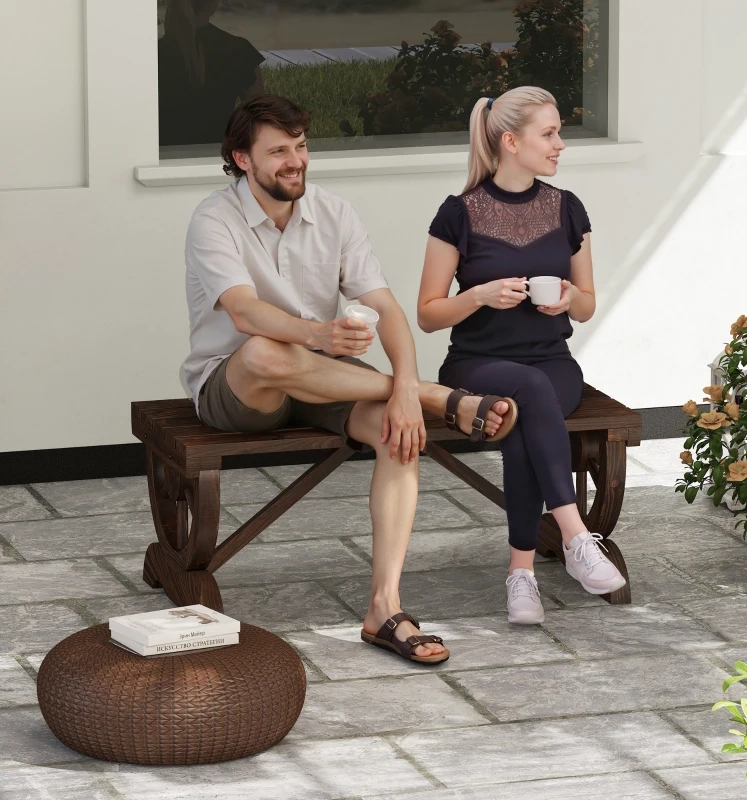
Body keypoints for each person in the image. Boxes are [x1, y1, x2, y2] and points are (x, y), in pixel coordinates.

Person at [182, 94, 518, 664]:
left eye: (301, 146)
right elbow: (243, 312)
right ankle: (441, 398)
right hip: (239, 387)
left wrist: (404, 388)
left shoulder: (334, 213)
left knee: (399, 430)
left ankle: (384, 608)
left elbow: (385, 307)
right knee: (264, 351)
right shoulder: (213, 219)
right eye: (278, 151)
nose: (296, 161)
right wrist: (324, 337)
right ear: (242, 159)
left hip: (324, 380)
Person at [417, 86, 627, 626]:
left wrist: (568, 298)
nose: (560, 144)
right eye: (549, 133)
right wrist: (478, 296)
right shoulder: (457, 214)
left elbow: (587, 306)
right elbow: (428, 314)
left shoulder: (567, 208)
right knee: (525, 395)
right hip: (475, 364)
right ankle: (575, 537)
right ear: (511, 142)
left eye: (559, 133)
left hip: (552, 363)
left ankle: (522, 575)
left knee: (522, 411)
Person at [159, 0, 265, 147]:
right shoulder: (239, 50)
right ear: (213, 5)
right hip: (218, 154)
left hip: (162, 156)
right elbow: (260, 114)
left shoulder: (154, 54)